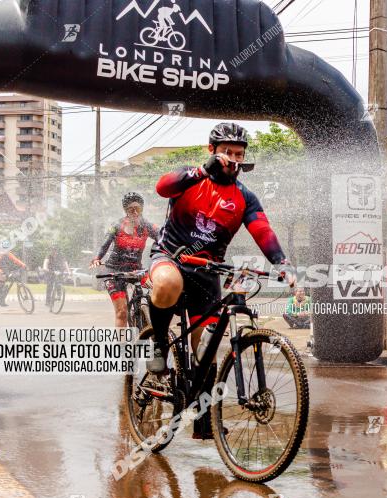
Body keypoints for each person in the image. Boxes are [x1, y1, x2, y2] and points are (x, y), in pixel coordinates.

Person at [147, 121, 292, 376]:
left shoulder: (245, 197)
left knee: (206, 351)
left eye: (239, 154)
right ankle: (159, 344)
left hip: (207, 271)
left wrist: (281, 262)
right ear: (212, 149)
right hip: (170, 258)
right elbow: (162, 188)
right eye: (227, 152)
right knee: (168, 282)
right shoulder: (190, 177)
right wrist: (203, 171)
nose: (233, 159)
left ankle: (203, 411)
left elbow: (262, 230)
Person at [90, 193, 159, 328]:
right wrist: (97, 258)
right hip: (114, 272)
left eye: (137, 208)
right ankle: (121, 348)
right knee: (122, 312)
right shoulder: (116, 225)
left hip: (135, 270)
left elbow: (163, 238)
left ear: (142, 209)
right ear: (125, 210)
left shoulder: (147, 226)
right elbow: (105, 244)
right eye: (130, 209)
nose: (134, 211)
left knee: (158, 292)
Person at [0, 242, 27, 306]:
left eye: (7, 249)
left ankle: (1, 301)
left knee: (5, 286)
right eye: (5, 249)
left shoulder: (8, 254)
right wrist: (0, 271)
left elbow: (16, 260)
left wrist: (23, 264)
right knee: (1, 286)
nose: (6, 250)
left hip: (3, 272)